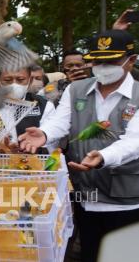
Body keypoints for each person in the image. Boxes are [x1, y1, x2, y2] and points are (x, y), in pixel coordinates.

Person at [18, 30, 139, 262]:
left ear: (131, 60)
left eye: (111, 61)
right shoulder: (77, 90)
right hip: (87, 199)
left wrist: (103, 157)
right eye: (97, 60)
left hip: (127, 200)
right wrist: (43, 133)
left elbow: (134, 141)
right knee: (91, 254)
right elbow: (61, 122)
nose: (102, 67)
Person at [0, 67, 56, 153]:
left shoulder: (44, 105)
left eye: (20, 79)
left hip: (34, 162)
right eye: (7, 80)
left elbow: (52, 139)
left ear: (30, 81)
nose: (14, 85)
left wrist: (33, 144)